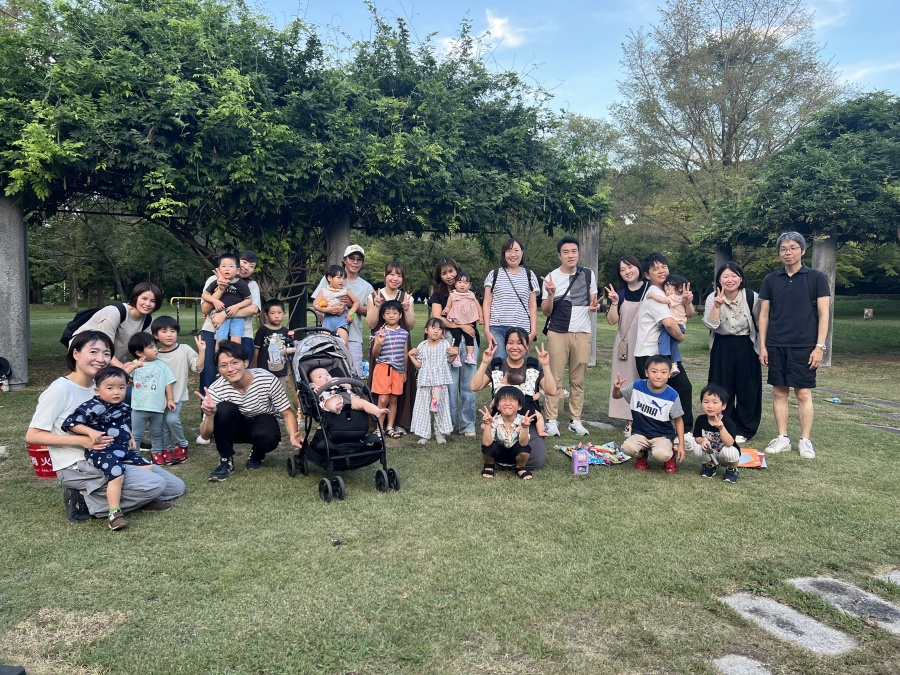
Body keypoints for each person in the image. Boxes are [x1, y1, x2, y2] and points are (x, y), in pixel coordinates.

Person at [26, 331, 184, 522]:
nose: (100, 359)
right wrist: (82, 441)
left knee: (176, 488)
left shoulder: (102, 385)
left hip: (114, 453)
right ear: (76, 353)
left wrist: (128, 433)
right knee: (156, 485)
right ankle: (85, 499)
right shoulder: (60, 390)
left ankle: (137, 495)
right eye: (93, 352)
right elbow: (33, 436)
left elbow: (114, 416)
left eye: (106, 353)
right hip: (77, 464)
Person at [758, 232, 831, 460]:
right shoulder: (771, 279)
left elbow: (824, 314)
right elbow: (764, 315)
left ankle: (805, 440)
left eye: (792, 248)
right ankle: (783, 437)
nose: (787, 252)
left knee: (803, 393)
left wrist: (820, 347)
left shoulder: (816, 278)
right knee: (779, 392)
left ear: (803, 250)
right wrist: (763, 346)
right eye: (783, 249)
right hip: (776, 343)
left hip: (804, 345)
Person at [61, 365, 153, 530]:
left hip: (122, 449)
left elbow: (123, 423)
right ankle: (114, 513)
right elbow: (71, 423)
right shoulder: (91, 406)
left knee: (147, 468)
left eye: (121, 387)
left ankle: (145, 500)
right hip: (102, 451)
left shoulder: (122, 406)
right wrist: (90, 432)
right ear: (97, 391)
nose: (116, 392)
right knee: (117, 475)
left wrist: (130, 436)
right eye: (110, 388)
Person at [199, 342, 303, 481]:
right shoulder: (215, 390)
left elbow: (287, 413)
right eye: (223, 365)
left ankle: (257, 453)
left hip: (261, 423)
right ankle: (226, 460)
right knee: (223, 409)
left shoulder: (267, 379)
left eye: (235, 362)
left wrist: (293, 436)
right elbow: (205, 435)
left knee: (269, 432)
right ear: (218, 370)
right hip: (233, 428)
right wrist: (209, 415)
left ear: (246, 362)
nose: (230, 369)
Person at [471, 327, 557, 470]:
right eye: (510, 343)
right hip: (501, 421)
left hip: (526, 422)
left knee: (537, 461)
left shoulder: (533, 365)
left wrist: (546, 365)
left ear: (527, 346)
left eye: (520, 343)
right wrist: (485, 362)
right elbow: (475, 386)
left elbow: (551, 391)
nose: (515, 347)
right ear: (505, 345)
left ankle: (510, 460)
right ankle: (507, 458)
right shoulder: (497, 365)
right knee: (493, 450)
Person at [540, 235, 601, 437]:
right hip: (558, 331)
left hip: (582, 332)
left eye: (574, 251)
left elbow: (592, 302)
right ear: (559, 255)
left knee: (578, 380)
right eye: (565, 252)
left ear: (578, 253)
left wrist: (594, 307)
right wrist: (550, 294)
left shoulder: (588, 274)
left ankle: (576, 420)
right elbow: (546, 311)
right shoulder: (551, 277)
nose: (570, 255)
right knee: (554, 378)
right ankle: (551, 420)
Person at [198, 250, 262, 438]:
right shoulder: (213, 279)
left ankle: (239, 423)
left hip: (242, 335)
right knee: (209, 376)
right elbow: (205, 307)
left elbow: (253, 308)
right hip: (212, 332)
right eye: (243, 262)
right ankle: (206, 424)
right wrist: (220, 287)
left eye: (251, 266)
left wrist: (224, 314)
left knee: (240, 378)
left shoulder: (250, 285)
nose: (246, 267)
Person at [633, 253, 695, 445]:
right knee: (666, 392)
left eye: (663, 266)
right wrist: (682, 337)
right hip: (651, 354)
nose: (661, 271)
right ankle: (669, 434)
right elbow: (669, 324)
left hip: (659, 354)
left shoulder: (668, 292)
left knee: (673, 391)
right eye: (655, 268)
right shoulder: (655, 295)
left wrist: (687, 302)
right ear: (647, 275)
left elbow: (689, 313)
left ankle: (679, 432)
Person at [703, 262, 762, 443]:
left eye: (734, 275)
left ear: (741, 278)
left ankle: (745, 428)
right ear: (719, 280)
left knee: (747, 388)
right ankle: (724, 424)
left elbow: (761, 324)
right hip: (722, 346)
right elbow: (711, 325)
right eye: (725, 276)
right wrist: (717, 306)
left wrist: (763, 349)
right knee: (721, 388)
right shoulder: (713, 297)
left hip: (746, 345)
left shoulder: (752, 297)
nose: (730, 280)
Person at [612, 355, 686, 473]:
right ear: (646, 373)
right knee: (627, 448)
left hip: (662, 436)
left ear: (669, 374)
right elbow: (616, 396)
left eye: (663, 372)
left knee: (661, 454)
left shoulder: (672, 395)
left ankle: (670, 455)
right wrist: (616, 388)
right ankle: (641, 455)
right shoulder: (637, 387)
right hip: (640, 434)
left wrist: (681, 445)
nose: (658, 376)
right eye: (654, 371)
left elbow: (679, 420)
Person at [366, 261, 416, 433]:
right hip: (381, 346)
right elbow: (371, 324)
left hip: (401, 344)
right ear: (385, 275)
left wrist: (406, 309)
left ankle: (399, 423)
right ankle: (377, 424)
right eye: (392, 274)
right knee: (380, 388)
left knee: (400, 386)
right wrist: (377, 306)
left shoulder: (406, 297)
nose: (395, 278)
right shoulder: (374, 295)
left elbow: (410, 325)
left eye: (399, 275)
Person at [430, 258, 478, 437]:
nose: (449, 276)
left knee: (469, 383)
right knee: (449, 384)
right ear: (440, 276)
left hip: (470, 340)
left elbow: (478, 311)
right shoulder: (439, 296)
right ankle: (448, 423)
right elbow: (437, 319)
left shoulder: (469, 293)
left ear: (457, 270)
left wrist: (468, 326)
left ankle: (468, 425)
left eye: (451, 271)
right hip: (449, 340)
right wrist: (461, 325)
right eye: (444, 273)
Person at [310, 245, 374, 377]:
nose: (355, 262)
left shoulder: (367, 287)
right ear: (344, 260)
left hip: (354, 336)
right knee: (328, 373)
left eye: (359, 259)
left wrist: (351, 306)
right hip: (329, 330)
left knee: (353, 374)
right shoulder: (329, 278)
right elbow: (316, 302)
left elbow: (371, 313)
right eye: (352, 258)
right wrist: (330, 309)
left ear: (362, 263)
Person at [71, 282, 162, 374]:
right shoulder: (116, 312)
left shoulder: (148, 321)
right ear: (136, 297)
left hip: (113, 357)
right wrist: (122, 370)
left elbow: (147, 349)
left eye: (153, 301)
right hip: (87, 353)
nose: (147, 303)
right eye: (144, 298)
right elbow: (104, 345)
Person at [152, 316, 205, 464]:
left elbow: (198, 367)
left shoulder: (185, 349)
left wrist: (202, 351)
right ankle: (166, 448)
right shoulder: (155, 355)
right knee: (163, 425)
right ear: (156, 335)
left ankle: (182, 444)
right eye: (164, 331)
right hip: (158, 398)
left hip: (177, 396)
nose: (169, 334)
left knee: (171, 420)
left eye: (173, 331)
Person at [606, 255, 649, 426]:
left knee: (644, 378)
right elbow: (612, 321)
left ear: (638, 267)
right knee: (626, 379)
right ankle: (629, 418)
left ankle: (646, 416)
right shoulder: (620, 293)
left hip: (647, 342)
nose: (627, 272)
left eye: (630, 267)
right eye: (622, 270)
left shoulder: (651, 288)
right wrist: (614, 303)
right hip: (625, 343)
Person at [483, 237, 540, 358]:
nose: (512, 254)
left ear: (522, 252)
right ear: (504, 254)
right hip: (497, 328)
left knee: (519, 365)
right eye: (508, 251)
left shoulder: (530, 275)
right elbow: (487, 304)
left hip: (521, 329)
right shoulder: (494, 274)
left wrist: (533, 331)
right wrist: (487, 330)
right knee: (499, 364)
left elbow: (532, 306)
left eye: (516, 250)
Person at [128, 333, 177, 465]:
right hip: (139, 407)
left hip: (157, 407)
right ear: (139, 352)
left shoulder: (162, 365)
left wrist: (170, 399)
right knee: (137, 434)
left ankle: (156, 453)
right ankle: (134, 454)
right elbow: (122, 376)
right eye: (150, 347)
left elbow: (168, 383)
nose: (155, 349)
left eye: (155, 346)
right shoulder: (134, 365)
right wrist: (133, 367)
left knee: (156, 432)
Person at [408, 318, 458, 444]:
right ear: (426, 330)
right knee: (423, 407)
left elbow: (449, 361)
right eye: (433, 328)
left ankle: (440, 433)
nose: (436, 331)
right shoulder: (422, 346)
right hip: (425, 382)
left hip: (439, 383)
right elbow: (419, 365)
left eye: (440, 329)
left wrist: (455, 354)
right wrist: (411, 355)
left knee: (439, 407)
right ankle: (424, 434)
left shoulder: (445, 344)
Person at [370, 300, 409, 438]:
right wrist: (379, 343)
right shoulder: (379, 333)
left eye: (394, 313)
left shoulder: (404, 333)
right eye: (388, 313)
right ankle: (379, 428)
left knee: (393, 399)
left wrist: (404, 371)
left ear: (400, 315)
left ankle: (390, 427)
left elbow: (405, 353)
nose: (391, 315)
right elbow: (375, 354)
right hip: (383, 368)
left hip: (398, 370)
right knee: (383, 399)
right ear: (383, 316)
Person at [479, 386, 537, 480]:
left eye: (512, 400)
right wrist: (488, 424)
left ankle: (520, 467)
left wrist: (525, 427)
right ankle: (489, 465)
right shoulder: (494, 420)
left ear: (519, 406)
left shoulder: (523, 420)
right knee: (487, 447)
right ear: (498, 406)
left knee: (525, 448)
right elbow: (486, 443)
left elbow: (523, 444)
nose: (507, 403)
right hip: (499, 454)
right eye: (503, 400)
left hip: (514, 454)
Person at [693, 384, 741, 484]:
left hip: (725, 454)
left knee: (730, 451)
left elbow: (729, 443)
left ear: (724, 406)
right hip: (711, 453)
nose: (710, 406)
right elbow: (697, 436)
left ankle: (732, 469)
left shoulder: (728, 422)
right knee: (697, 448)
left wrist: (721, 428)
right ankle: (709, 466)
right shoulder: (700, 420)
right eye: (706, 402)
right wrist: (702, 441)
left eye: (715, 402)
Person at [202, 253, 253, 344]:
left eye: (231, 266)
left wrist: (237, 306)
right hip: (219, 314)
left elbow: (249, 300)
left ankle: (236, 353)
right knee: (221, 339)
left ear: (237, 270)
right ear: (219, 269)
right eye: (224, 266)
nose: (227, 269)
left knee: (236, 340)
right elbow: (204, 295)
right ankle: (218, 353)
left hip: (237, 315)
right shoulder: (215, 282)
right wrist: (215, 301)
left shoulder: (242, 284)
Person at [647, 273, 690, 375]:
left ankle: (664, 357)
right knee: (673, 344)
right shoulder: (681, 298)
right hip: (681, 326)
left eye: (669, 289)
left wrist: (652, 295)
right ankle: (674, 365)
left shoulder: (675, 297)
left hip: (677, 325)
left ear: (679, 288)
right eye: (665, 289)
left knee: (662, 338)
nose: (667, 292)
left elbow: (663, 300)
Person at [308, 367, 389, 417]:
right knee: (331, 402)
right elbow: (311, 387)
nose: (325, 377)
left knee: (362, 403)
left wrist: (339, 382)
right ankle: (336, 408)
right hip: (330, 397)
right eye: (320, 377)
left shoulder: (337, 381)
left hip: (348, 396)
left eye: (327, 374)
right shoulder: (316, 386)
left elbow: (349, 387)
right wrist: (314, 387)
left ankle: (376, 411)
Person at [314, 264, 360, 348]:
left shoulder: (345, 290)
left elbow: (356, 302)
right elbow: (315, 305)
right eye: (339, 278)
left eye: (344, 278)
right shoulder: (324, 291)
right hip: (328, 320)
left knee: (343, 343)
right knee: (325, 343)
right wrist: (326, 310)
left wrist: (351, 313)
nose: (342, 281)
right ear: (329, 278)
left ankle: (345, 356)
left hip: (343, 320)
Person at [441, 272, 482, 366]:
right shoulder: (453, 295)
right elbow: (448, 306)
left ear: (470, 285)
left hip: (468, 321)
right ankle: (455, 356)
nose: (462, 285)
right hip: (456, 321)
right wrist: (446, 311)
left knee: (470, 337)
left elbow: (478, 306)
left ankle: (470, 356)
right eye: (459, 282)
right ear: (455, 284)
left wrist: (481, 317)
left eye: (465, 283)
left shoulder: (471, 295)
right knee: (456, 337)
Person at [253, 299, 293, 390]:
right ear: (266, 315)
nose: (276, 316)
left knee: (280, 391)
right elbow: (256, 348)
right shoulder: (263, 330)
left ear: (284, 314)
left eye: (279, 312)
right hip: (264, 370)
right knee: (264, 391)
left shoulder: (285, 331)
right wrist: (256, 366)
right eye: (272, 313)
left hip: (281, 369)